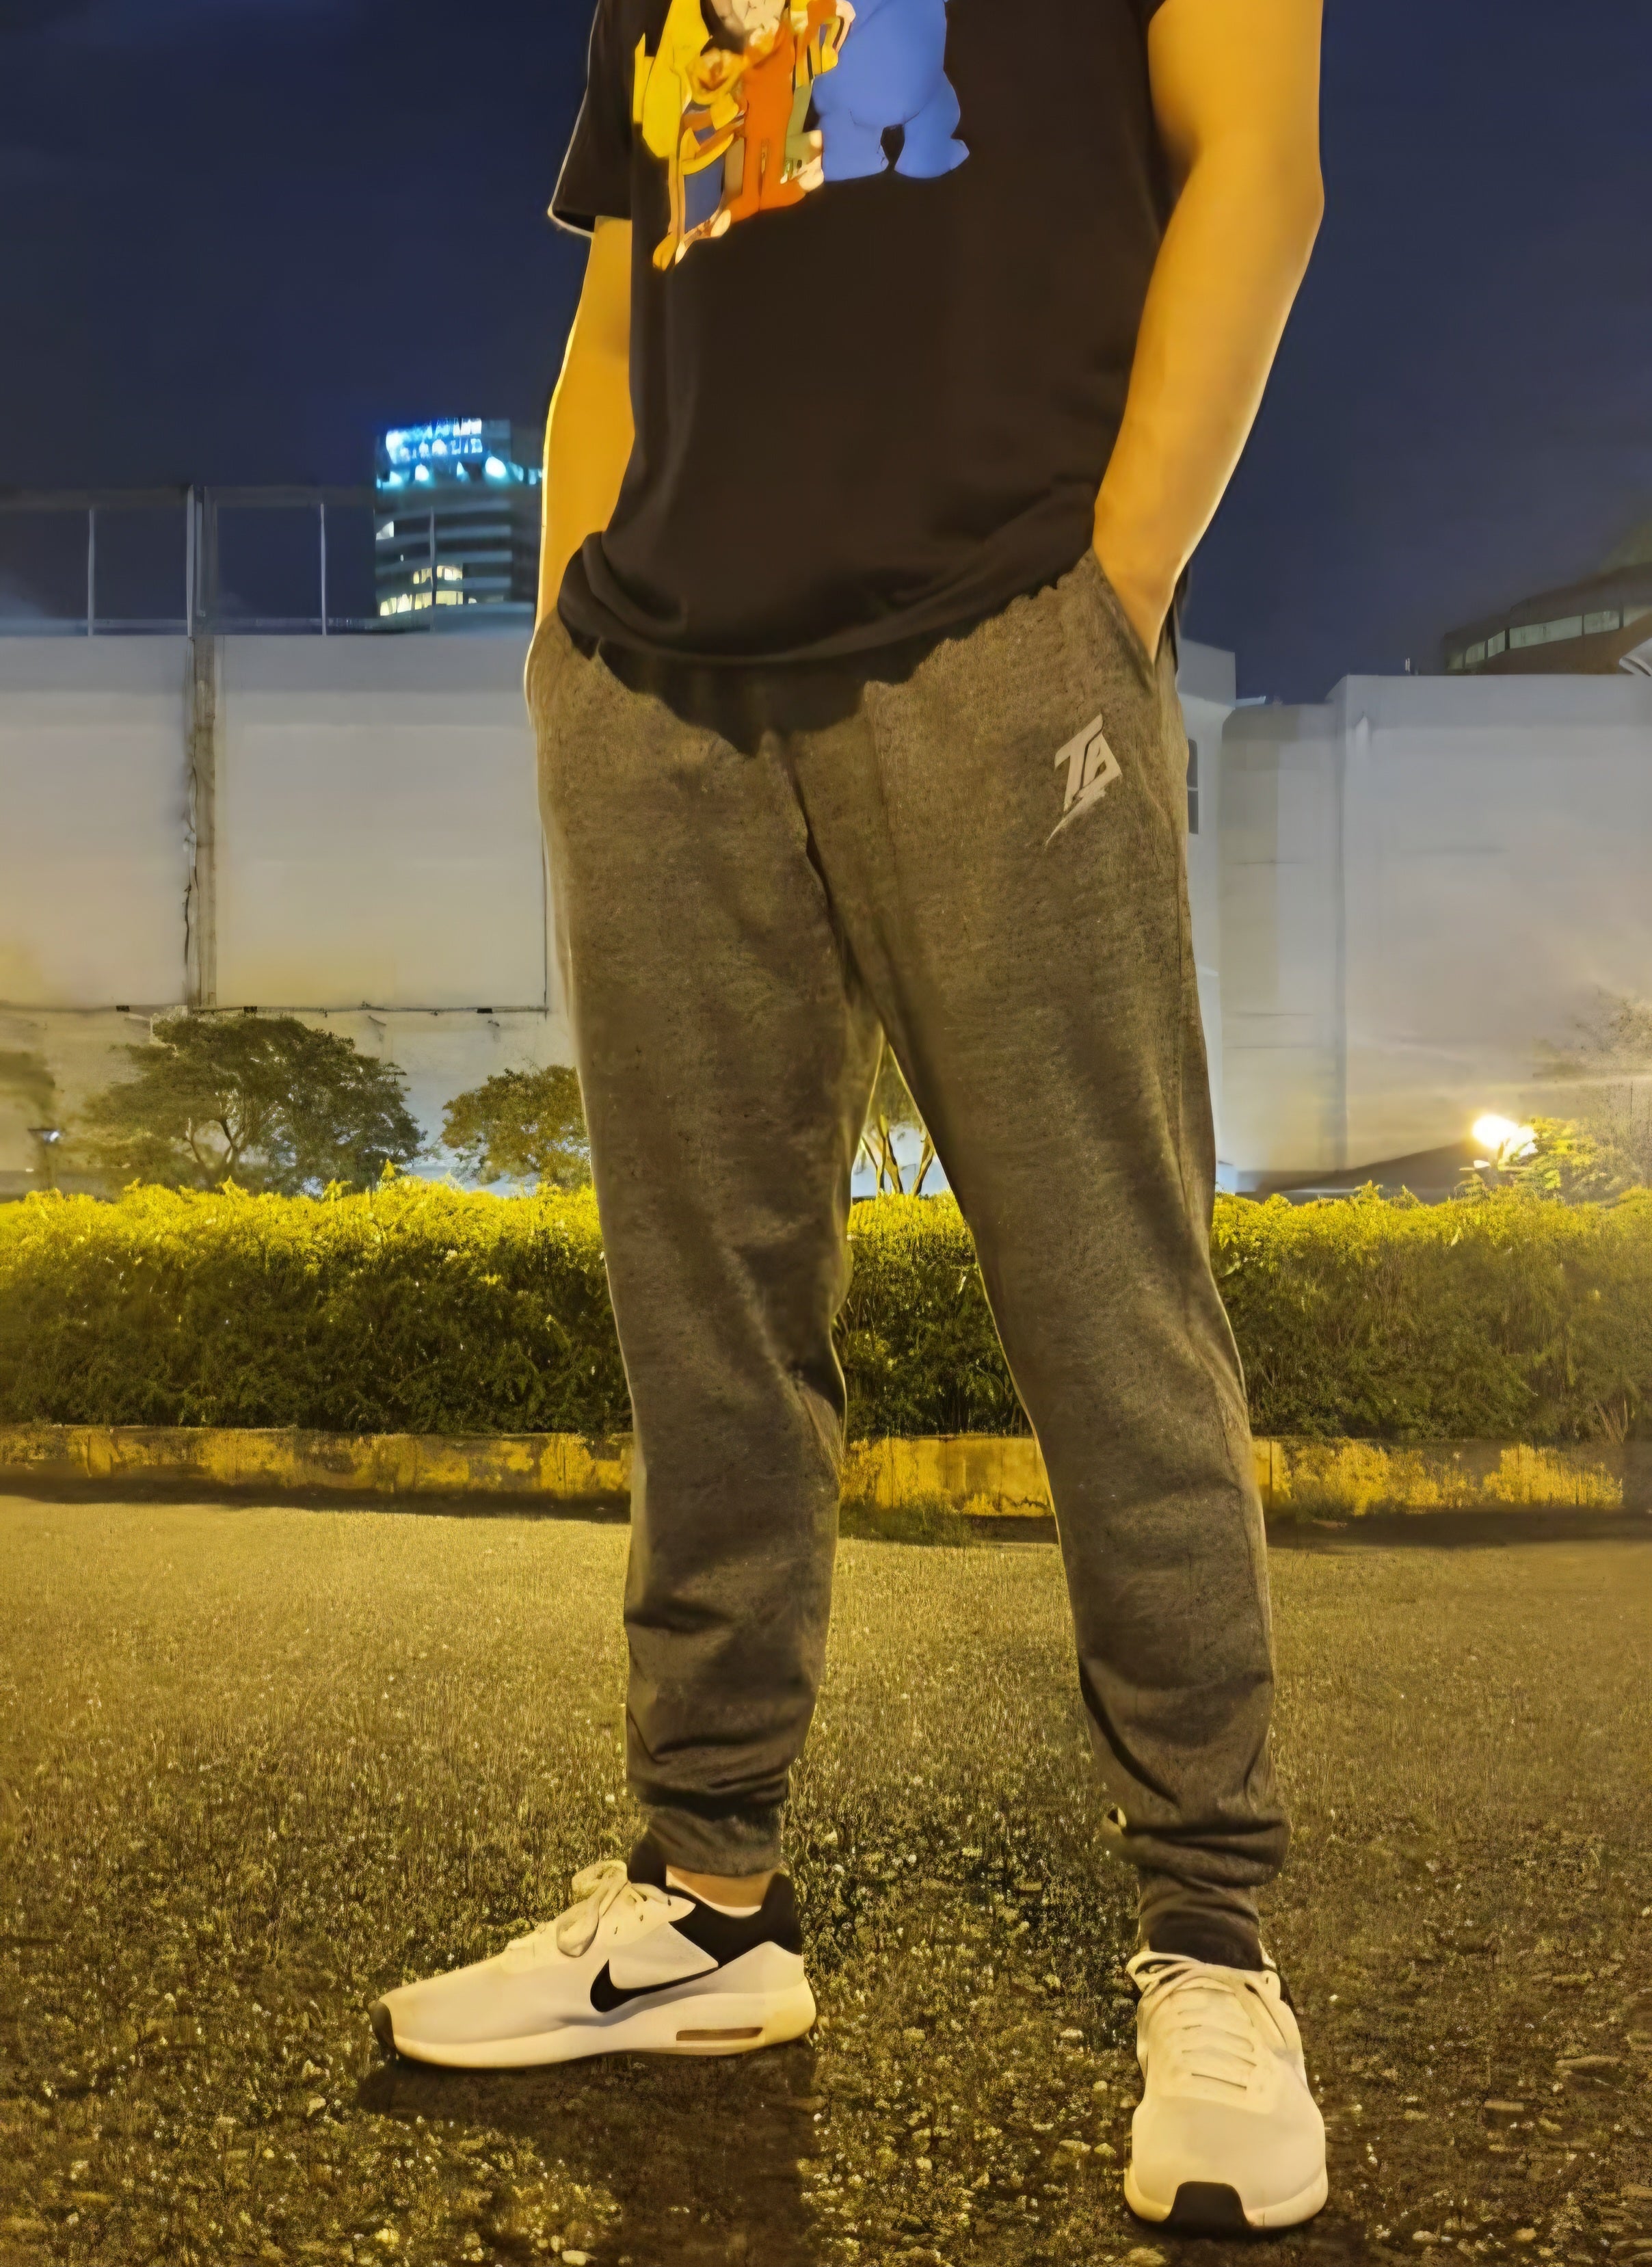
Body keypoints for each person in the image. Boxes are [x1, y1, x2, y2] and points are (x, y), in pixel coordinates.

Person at [371, 0, 1328, 2233]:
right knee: (703, 1319)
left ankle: (1211, 1938)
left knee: (1109, 1301)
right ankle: (705, 1907)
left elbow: (1259, 169)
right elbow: (623, 297)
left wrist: (1112, 593)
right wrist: (568, 646)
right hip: (660, 688)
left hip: (1005, 636)